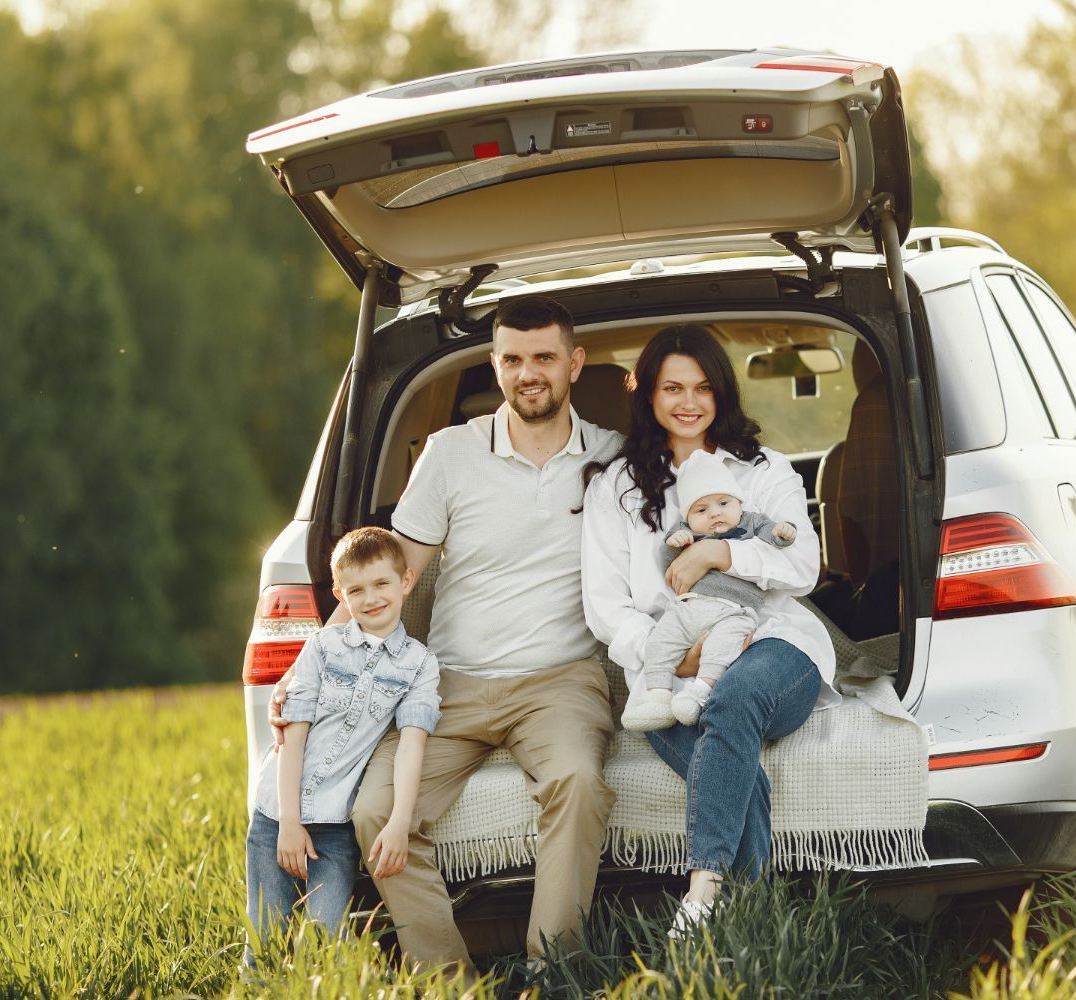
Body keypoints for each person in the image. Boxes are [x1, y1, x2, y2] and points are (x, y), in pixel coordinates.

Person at [270, 295, 622, 972]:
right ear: (494, 364)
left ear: (574, 364)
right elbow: (390, 577)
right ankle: (450, 981)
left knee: (578, 780)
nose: (529, 373)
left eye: (544, 357)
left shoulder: (611, 458)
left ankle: (554, 972)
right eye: (513, 359)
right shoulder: (450, 453)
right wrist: (306, 667)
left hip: (561, 682)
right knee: (374, 809)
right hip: (449, 683)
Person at [580, 323, 838, 936]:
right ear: (646, 394)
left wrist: (723, 556)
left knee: (736, 693)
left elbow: (801, 565)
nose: (688, 402)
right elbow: (605, 607)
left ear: (721, 392)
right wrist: (672, 654)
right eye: (672, 388)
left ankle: (701, 890)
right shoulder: (615, 487)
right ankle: (754, 930)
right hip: (667, 668)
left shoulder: (762, 470)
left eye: (702, 388)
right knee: (726, 750)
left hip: (773, 641)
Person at [244, 526, 440, 966]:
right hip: (278, 813)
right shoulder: (321, 648)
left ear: (406, 581)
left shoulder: (419, 666)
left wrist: (398, 823)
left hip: (336, 828)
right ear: (340, 594)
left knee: (322, 947)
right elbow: (292, 738)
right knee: (265, 947)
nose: (371, 599)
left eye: (381, 584)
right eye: (356, 590)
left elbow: (412, 747)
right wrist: (289, 824)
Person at [620, 447, 798, 732]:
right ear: (688, 517)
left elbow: (774, 539)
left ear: (739, 503)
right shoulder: (687, 533)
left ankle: (697, 693)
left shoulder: (751, 522)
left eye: (724, 503)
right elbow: (670, 567)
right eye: (701, 510)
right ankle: (658, 696)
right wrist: (675, 543)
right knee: (659, 642)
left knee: (722, 648)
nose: (715, 514)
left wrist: (782, 533)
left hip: (734, 611)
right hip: (689, 607)